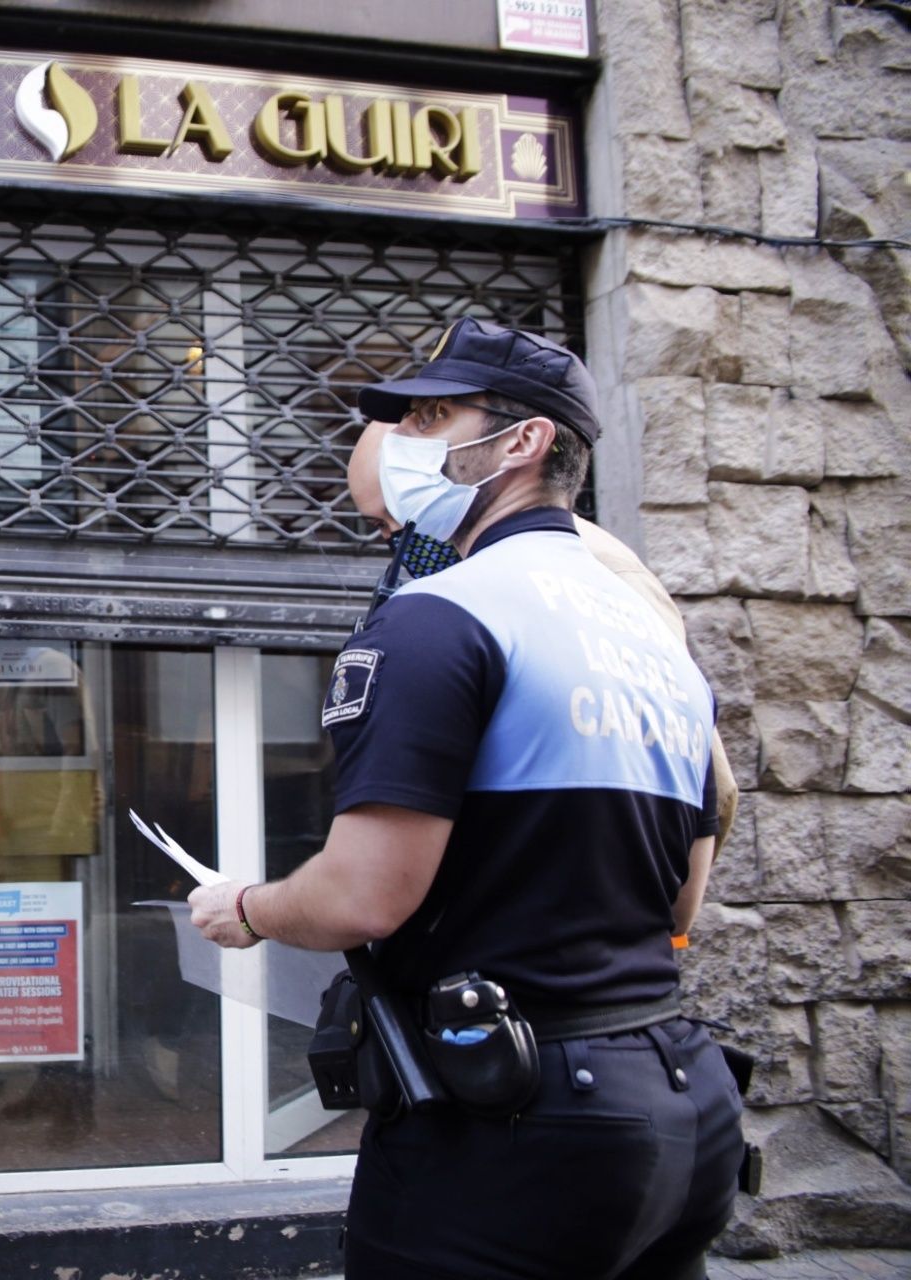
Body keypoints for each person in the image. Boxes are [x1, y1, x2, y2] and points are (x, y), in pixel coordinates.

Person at [190, 318, 744, 1279]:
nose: (409, 445)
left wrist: (248, 907)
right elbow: (683, 902)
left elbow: (366, 897)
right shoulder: (653, 639)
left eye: (435, 418)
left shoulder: (440, 616)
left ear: (524, 441)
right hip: (679, 1099)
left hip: (515, 1128)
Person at [343, 412, 739, 855]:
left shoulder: (595, 570)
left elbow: (703, 779)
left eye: (400, 512)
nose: (397, 538)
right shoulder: (461, 590)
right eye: (380, 527)